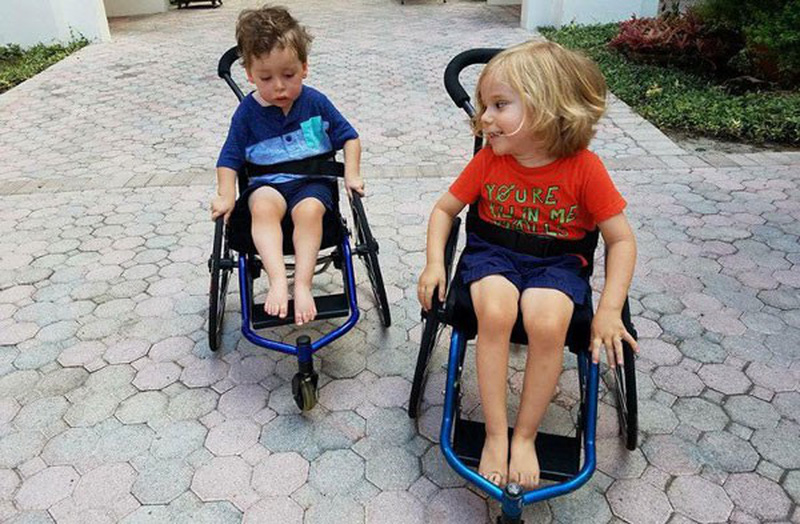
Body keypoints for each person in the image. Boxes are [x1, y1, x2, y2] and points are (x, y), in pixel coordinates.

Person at [417, 41, 638, 489]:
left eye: (499, 106)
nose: (484, 118)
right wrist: (434, 264)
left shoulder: (585, 169)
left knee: (547, 318)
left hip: (558, 262)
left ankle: (525, 435)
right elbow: (444, 210)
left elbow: (621, 240)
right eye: (484, 106)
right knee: (495, 309)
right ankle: (496, 433)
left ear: (548, 108)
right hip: (492, 254)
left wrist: (610, 309)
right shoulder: (488, 161)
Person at [211, 5, 364, 325]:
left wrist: (352, 173)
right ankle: (278, 281)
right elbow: (229, 158)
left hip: (311, 185)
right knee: (262, 206)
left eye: (289, 75)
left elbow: (350, 138)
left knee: (308, 211)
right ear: (250, 75)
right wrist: (225, 194)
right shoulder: (247, 114)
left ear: (304, 68)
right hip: (267, 185)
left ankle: (303, 285)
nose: (279, 86)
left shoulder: (316, 102)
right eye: (266, 78)